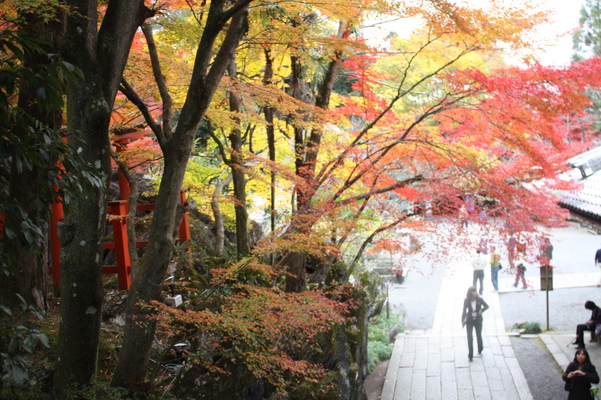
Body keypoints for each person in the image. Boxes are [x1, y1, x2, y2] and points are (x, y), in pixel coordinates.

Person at [461, 286, 489, 362]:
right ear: (470, 293)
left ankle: (480, 348)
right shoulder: (467, 301)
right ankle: (470, 354)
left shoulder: (479, 299)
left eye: (475, 291)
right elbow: (464, 311)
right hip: (470, 320)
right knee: (469, 337)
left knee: (478, 335)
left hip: (478, 319)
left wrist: (481, 310)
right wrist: (463, 320)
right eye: (473, 292)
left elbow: (487, 306)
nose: (475, 293)